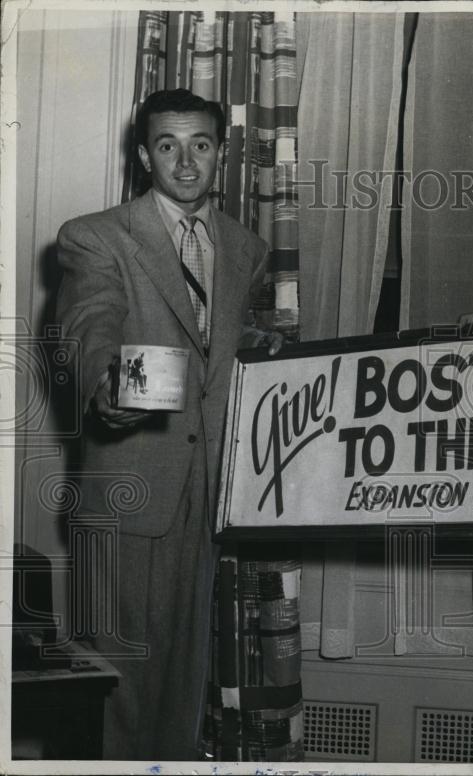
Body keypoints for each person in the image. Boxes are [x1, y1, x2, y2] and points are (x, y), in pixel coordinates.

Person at [56, 88, 281, 760]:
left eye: (201, 145)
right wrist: (106, 384)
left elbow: (219, 355)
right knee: (118, 686)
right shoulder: (96, 236)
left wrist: (261, 353)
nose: (186, 163)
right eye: (167, 145)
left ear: (223, 153)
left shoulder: (247, 248)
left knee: (184, 689)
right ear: (142, 155)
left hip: (210, 496)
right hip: (129, 492)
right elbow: (89, 327)